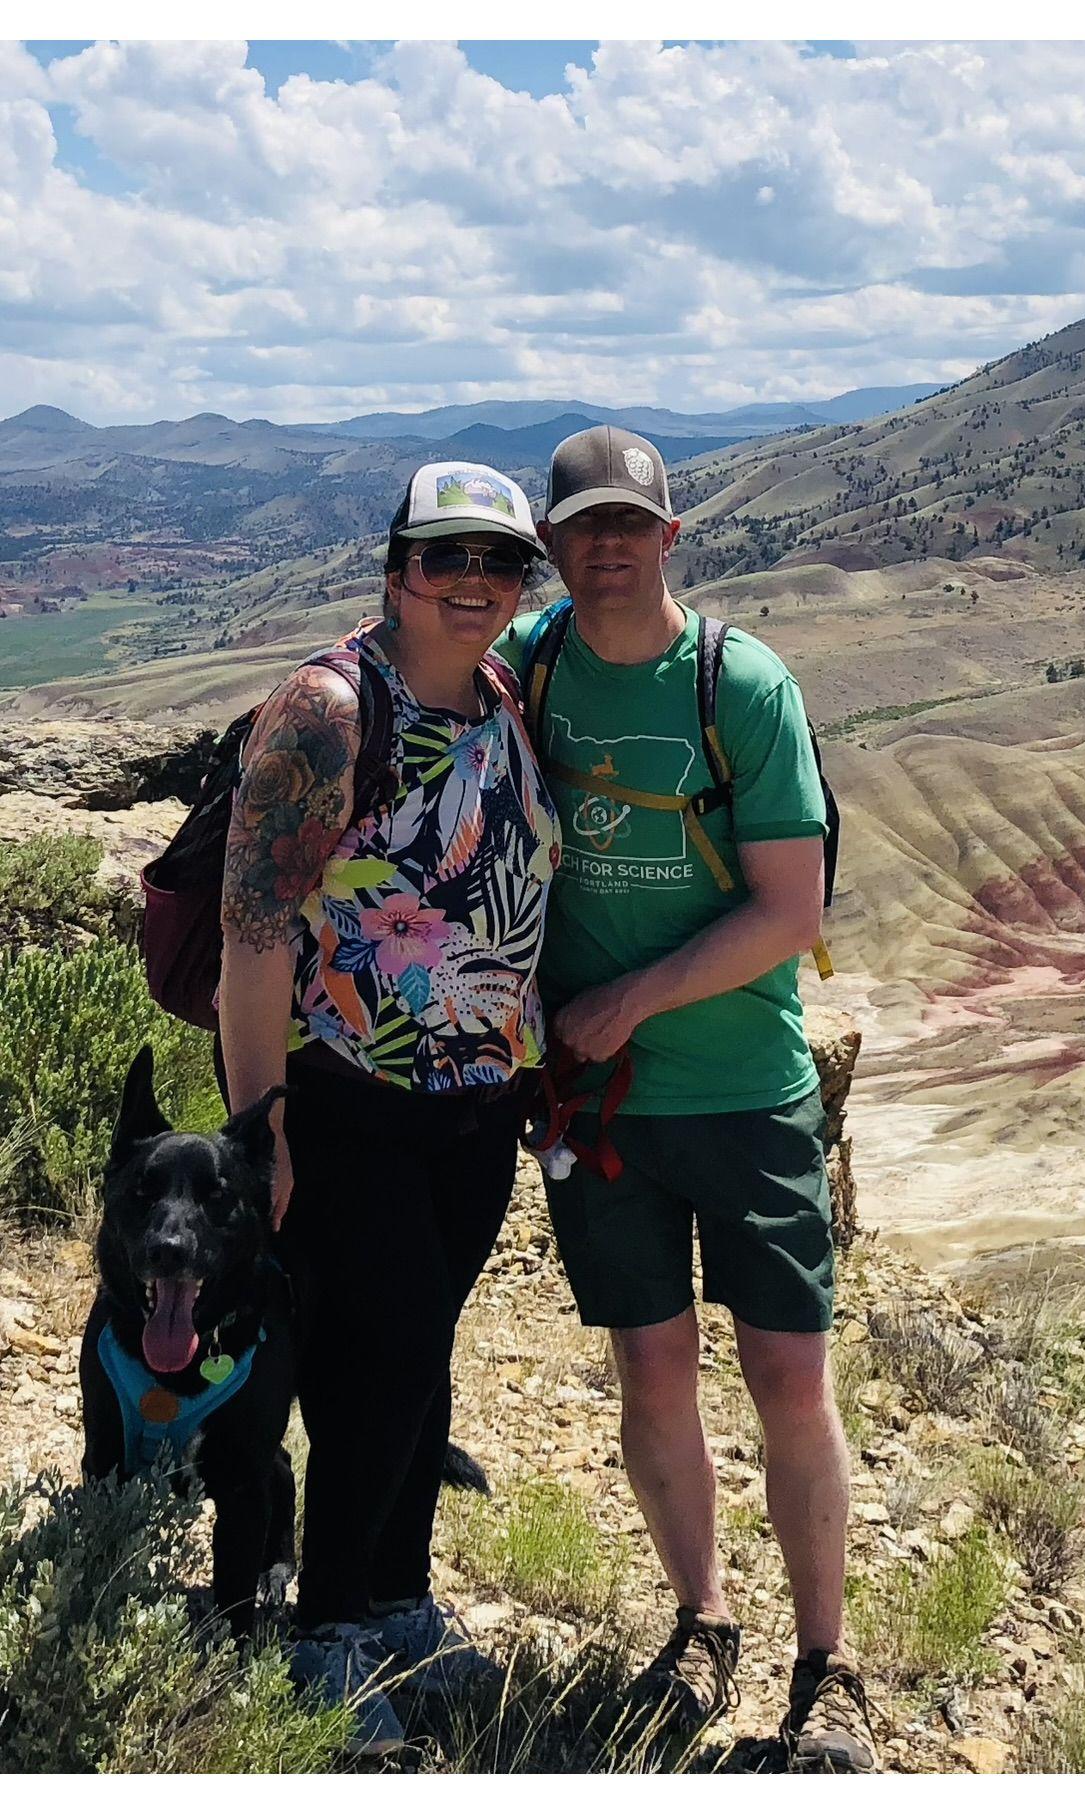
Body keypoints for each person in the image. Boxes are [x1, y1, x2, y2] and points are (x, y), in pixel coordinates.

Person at [497, 426, 874, 1772]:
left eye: (628, 523)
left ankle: (825, 1662)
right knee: (650, 1370)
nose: (605, 544)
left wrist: (625, 1002)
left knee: (786, 1375)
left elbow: (789, 909)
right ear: (553, 542)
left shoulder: (740, 685)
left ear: (670, 535)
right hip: (602, 1113)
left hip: (743, 1089)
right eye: (581, 524)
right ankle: (703, 1618)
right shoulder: (526, 667)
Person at [218, 461, 561, 1755]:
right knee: (391, 1352)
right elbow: (252, 937)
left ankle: (399, 1602)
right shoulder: (325, 710)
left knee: (420, 1361)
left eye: (500, 563)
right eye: (446, 559)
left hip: (476, 1107)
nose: (474, 584)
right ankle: (326, 1634)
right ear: (396, 567)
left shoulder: (506, 698)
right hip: (346, 1096)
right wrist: (263, 1135)